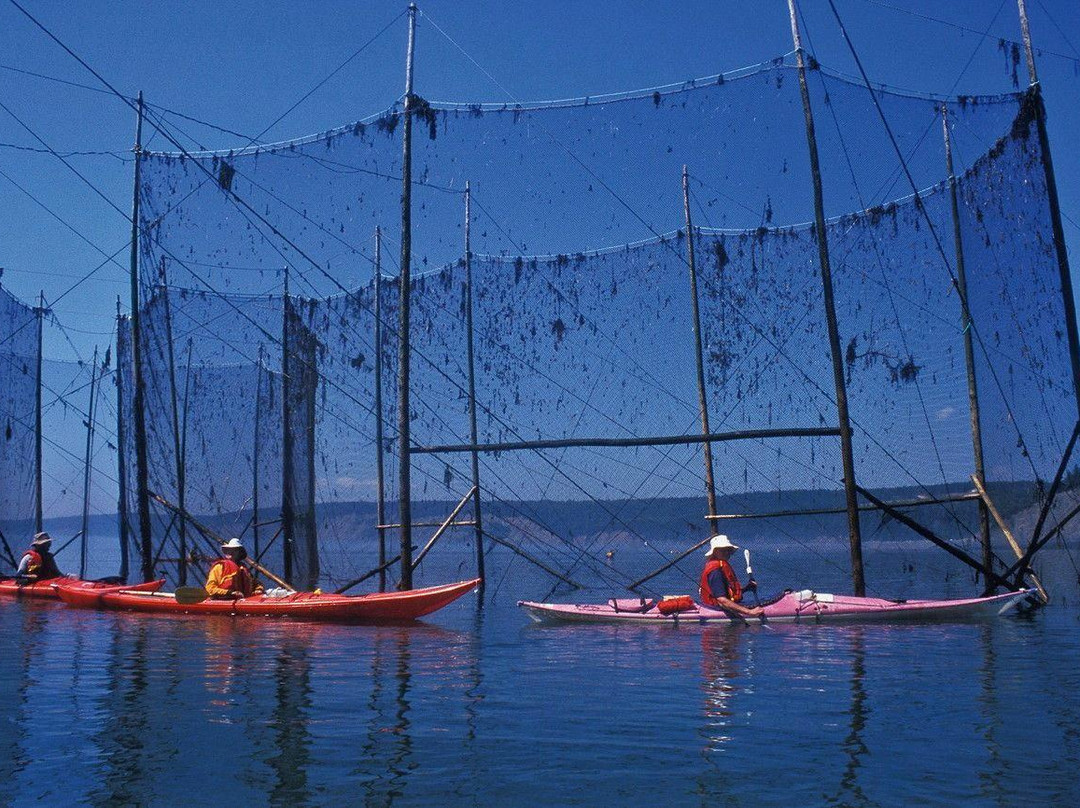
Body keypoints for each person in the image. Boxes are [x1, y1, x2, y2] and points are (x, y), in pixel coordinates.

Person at [700, 534, 763, 618]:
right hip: (716, 608)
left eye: (728, 550)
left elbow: (727, 593)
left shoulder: (721, 566)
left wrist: (746, 589)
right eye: (722, 550)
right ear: (715, 552)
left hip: (722, 604)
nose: (726, 553)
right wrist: (750, 612)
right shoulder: (715, 571)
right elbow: (722, 600)